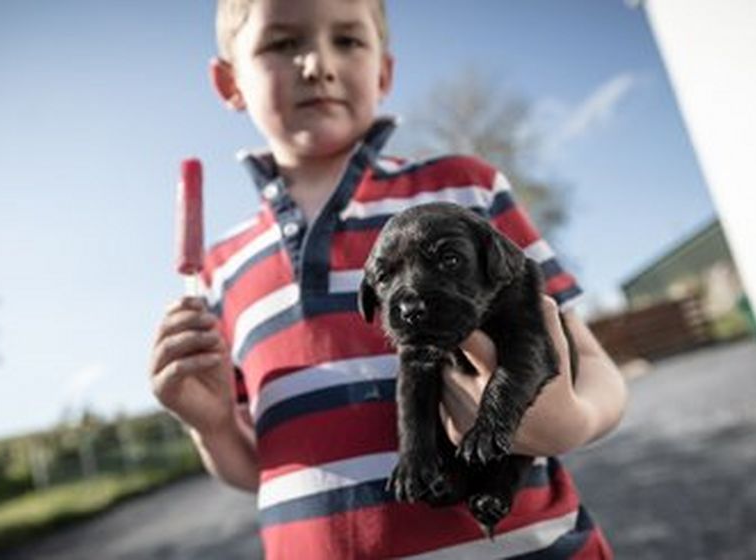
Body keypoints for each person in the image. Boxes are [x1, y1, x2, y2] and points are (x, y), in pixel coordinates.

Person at [149, 0, 628, 557]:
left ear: (384, 71)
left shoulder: (464, 190)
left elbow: (588, 358)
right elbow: (260, 467)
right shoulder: (219, 270)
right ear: (229, 81)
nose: (317, 64)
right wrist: (211, 428)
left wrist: (576, 419)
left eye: (347, 40)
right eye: (282, 43)